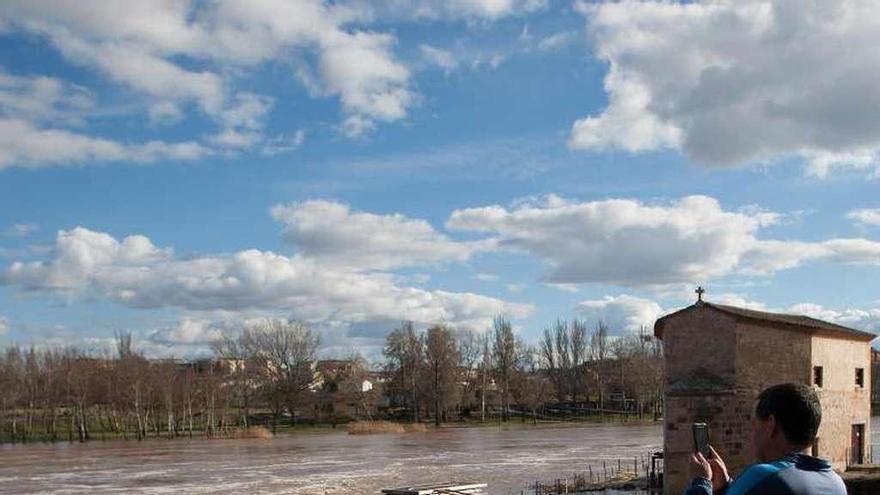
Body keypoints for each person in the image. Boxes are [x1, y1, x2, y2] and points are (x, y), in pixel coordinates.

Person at [683, 383, 846, 495]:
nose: (750, 433)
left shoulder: (763, 477)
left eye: (754, 423)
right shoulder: (836, 483)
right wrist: (726, 486)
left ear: (770, 425)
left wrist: (700, 482)